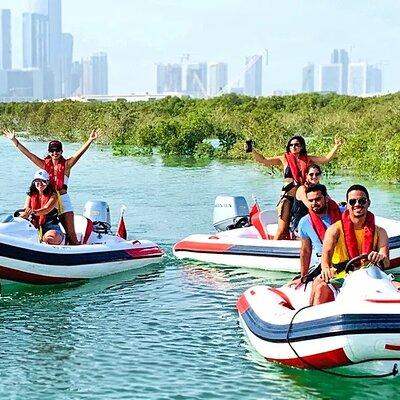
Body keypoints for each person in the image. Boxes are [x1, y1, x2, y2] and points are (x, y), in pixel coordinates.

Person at [4, 128, 100, 245]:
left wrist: (90, 140)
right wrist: (15, 141)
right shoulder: (44, 164)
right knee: (39, 223)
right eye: (52, 150)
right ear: (49, 152)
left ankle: (75, 250)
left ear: (61, 151)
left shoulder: (67, 165)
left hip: (62, 199)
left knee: (71, 233)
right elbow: (29, 155)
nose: (55, 153)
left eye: (57, 150)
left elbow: (78, 154)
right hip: (48, 197)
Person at [249, 135, 343, 239]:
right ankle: (272, 249)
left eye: (296, 145)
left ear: (302, 146)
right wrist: (252, 150)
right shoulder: (284, 159)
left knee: (310, 223)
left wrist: (336, 146)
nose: (293, 147)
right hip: (288, 197)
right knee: (282, 230)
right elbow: (263, 160)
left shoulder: (308, 159)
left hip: (305, 197)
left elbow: (325, 159)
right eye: (291, 145)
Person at [311, 184, 390, 305]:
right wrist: (326, 269)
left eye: (362, 200)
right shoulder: (334, 230)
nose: (357, 204)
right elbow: (325, 260)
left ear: (368, 203)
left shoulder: (380, 232)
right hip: (342, 277)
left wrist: (380, 257)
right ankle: (312, 316)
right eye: (353, 201)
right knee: (320, 286)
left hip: (370, 276)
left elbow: (386, 261)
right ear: (347, 205)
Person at [289, 184, 342, 288]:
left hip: (342, 259)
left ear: (326, 198)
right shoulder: (304, 222)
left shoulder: (343, 214)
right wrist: (303, 276)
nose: (314, 203)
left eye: (317, 199)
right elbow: (305, 251)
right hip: (319, 263)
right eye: (311, 200)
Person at [19, 169, 64, 245]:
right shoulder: (30, 195)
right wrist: (23, 215)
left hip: (51, 226)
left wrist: (32, 212)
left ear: (48, 182)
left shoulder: (54, 196)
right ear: (34, 182)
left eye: (43, 181)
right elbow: (25, 210)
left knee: (50, 238)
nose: (40, 184)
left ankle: (43, 240)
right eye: (37, 181)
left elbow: (46, 209)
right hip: (33, 226)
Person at [290, 163, 323, 233]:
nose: (314, 176)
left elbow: (328, 201)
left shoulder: (320, 189)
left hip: (315, 222)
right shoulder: (302, 189)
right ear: (306, 175)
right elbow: (311, 206)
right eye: (311, 174)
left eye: (317, 174)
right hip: (299, 224)